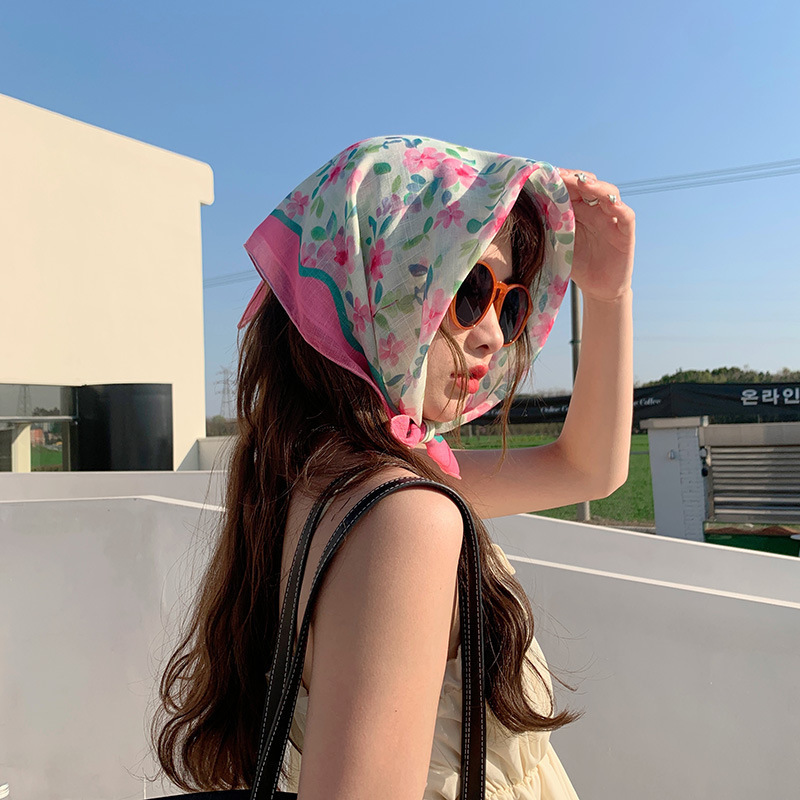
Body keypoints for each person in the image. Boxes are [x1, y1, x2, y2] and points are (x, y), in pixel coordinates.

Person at [152, 135, 635, 799]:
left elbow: (586, 469)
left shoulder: (317, 477)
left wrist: (610, 296)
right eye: (470, 289)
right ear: (375, 287)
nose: (495, 336)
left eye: (510, 303)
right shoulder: (403, 514)